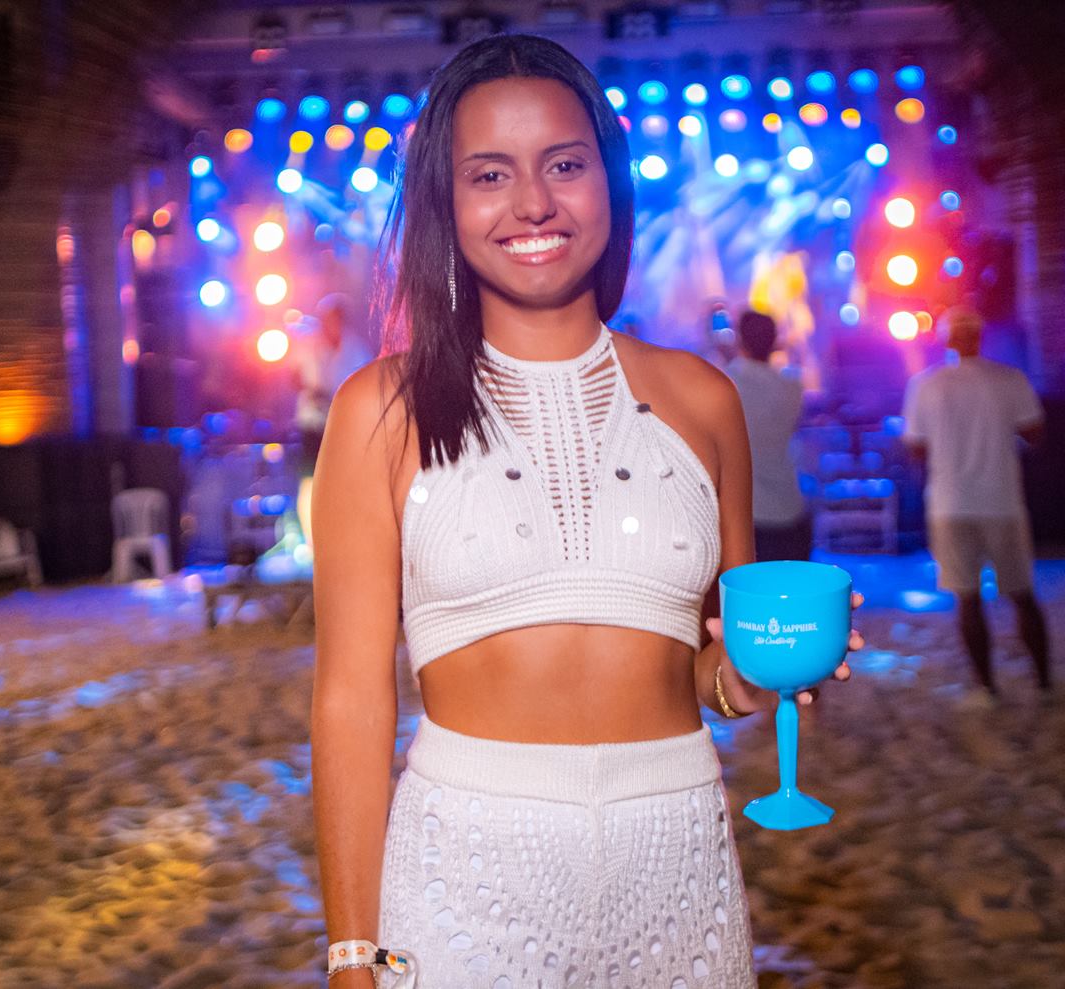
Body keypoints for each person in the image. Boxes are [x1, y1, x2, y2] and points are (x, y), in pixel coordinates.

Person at [309, 34, 861, 989]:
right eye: (490, 174)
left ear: (610, 180)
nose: (533, 203)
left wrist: (763, 673)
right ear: (445, 201)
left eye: (564, 165)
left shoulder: (704, 400)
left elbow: (711, 666)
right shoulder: (380, 410)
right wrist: (353, 957)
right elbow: (352, 699)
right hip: (464, 878)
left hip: (676, 870)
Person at [902, 307, 1051, 703]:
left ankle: (986, 688)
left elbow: (915, 448)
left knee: (967, 597)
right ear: (981, 337)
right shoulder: (1009, 379)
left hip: (950, 503)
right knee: (1022, 592)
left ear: (945, 339)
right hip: (1002, 500)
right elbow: (1035, 432)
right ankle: (1044, 682)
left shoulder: (926, 384)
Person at [726, 311, 809, 562]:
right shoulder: (792, 386)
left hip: (744, 511)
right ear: (775, 341)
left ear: (739, 339)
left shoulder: (726, 382)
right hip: (788, 502)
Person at [294, 294, 373, 547]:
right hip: (312, 424)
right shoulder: (308, 346)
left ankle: (344, 536)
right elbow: (294, 378)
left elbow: (364, 387)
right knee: (310, 480)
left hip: (344, 426)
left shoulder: (356, 349)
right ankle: (311, 542)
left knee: (345, 479)